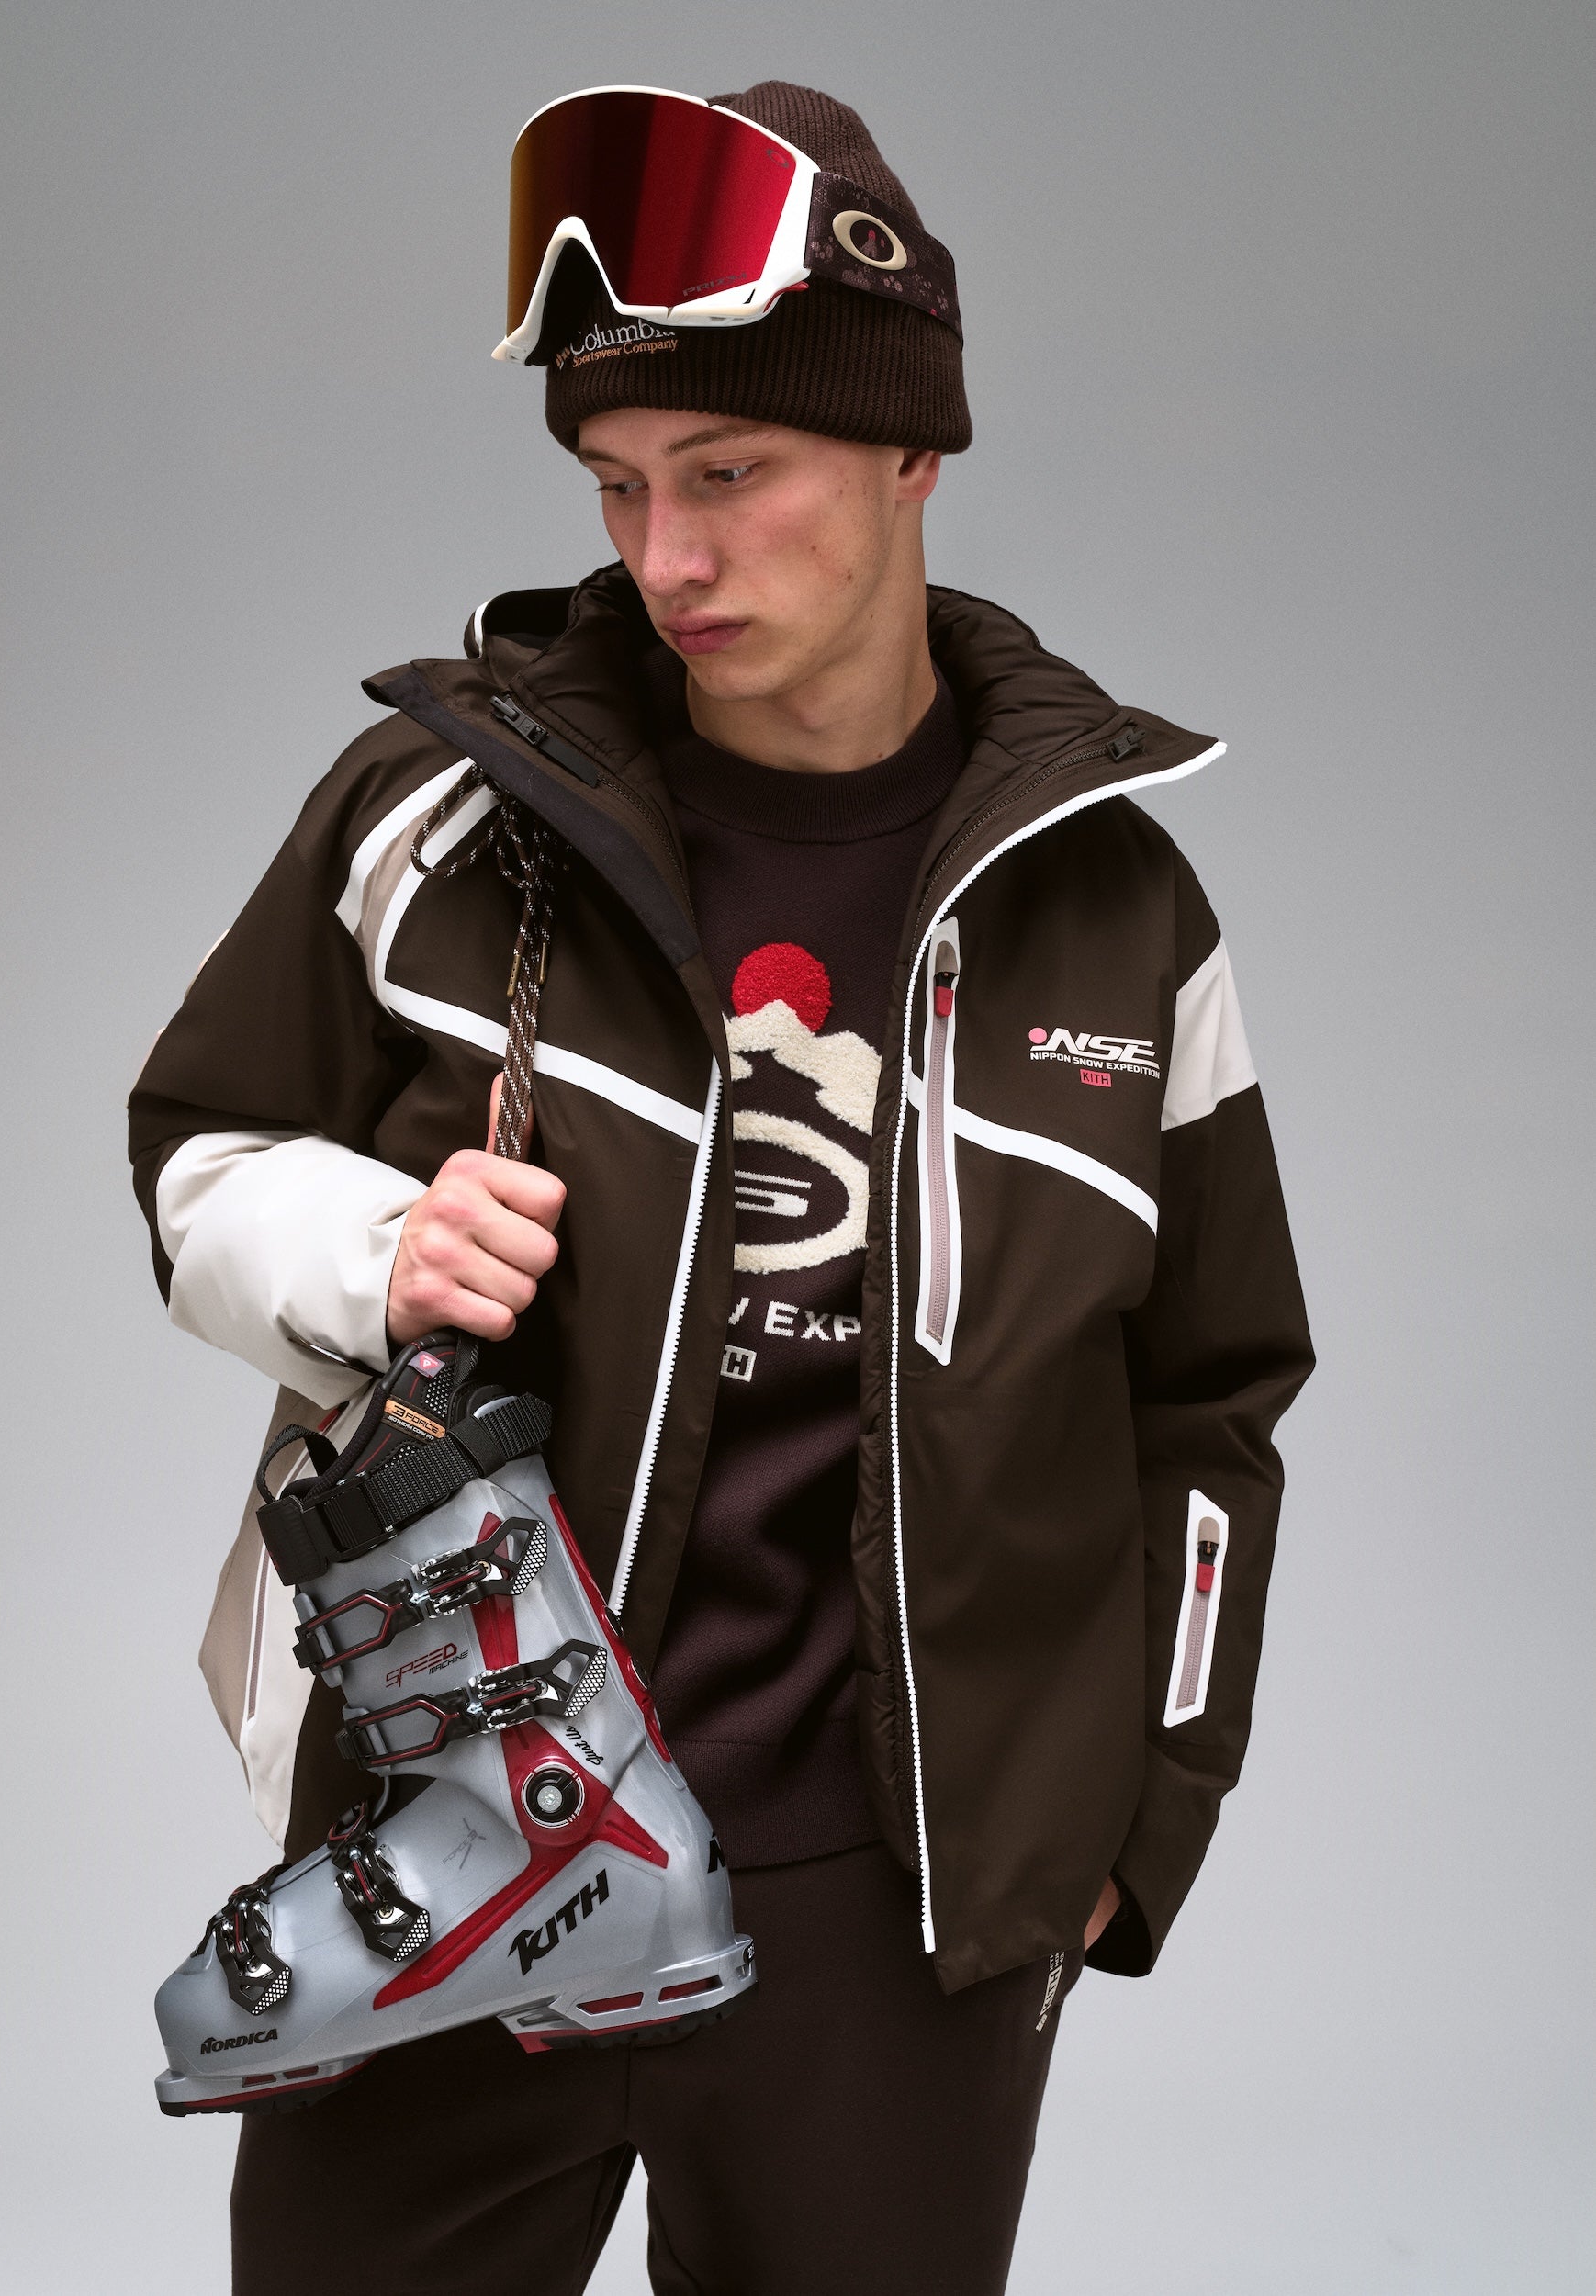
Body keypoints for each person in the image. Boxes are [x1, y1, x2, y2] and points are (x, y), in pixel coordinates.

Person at [129, 79, 1313, 2296]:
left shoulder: (1113, 916)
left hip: (892, 1914)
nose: (664, 556)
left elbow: (1213, 1400)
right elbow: (188, 1155)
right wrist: (373, 1253)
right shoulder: (439, 815)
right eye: (615, 483)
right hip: (458, 1844)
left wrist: (1129, 1821)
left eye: (729, 472)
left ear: (909, 450)